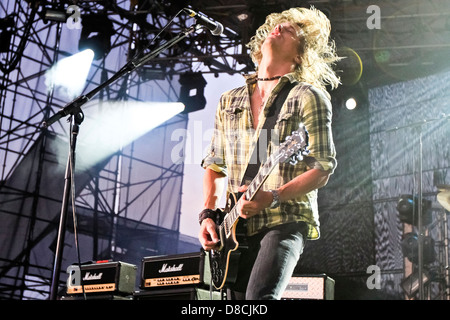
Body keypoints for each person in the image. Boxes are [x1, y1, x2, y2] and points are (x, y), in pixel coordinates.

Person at [198, 7, 340, 300]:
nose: (278, 29)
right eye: (277, 26)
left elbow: (323, 167)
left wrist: (273, 196)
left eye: (290, 31)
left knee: (260, 299)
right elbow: (215, 164)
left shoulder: (308, 97)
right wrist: (208, 216)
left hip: (285, 219)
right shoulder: (229, 100)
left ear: (300, 55)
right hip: (235, 227)